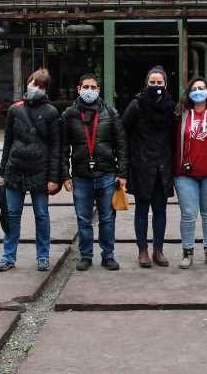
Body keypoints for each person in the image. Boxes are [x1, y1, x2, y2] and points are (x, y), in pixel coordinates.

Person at [0, 68, 61, 273]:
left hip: (40, 171)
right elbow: (8, 141)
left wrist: (53, 177)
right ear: (27, 83)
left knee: (41, 215)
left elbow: (55, 146)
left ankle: (43, 256)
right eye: (33, 83)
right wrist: (3, 170)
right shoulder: (15, 110)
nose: (36, 88)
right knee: (12, 214)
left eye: (40, 86)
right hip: (15, 170)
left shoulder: (51, 112)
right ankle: (8, 256)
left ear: (46, 89)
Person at [61, 72, 128, 271]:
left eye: (93, 87)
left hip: (107, 174)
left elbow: (122, 145)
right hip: (81, 176)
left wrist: (122, 173)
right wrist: (65, 174)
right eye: (85, 87)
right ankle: (86, 256)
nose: (89, 91)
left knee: (107, 218)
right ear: (78, 90)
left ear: (98, 90)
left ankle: (108, 255)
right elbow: (63, 148)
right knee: (83, 219)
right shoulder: (69, 115)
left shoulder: (110, 113)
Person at [122, 66, 175, 268]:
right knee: (142, 210)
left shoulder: (172, 108)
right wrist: (127, 165)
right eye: (152, 83)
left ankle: (158, 250)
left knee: (160, 210)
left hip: (163, 167)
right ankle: (142, 250)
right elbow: (123, 133)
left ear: (165, 85)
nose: (155, 86)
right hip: (142, 167)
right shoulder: (136, 106)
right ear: (146, 84)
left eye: (159, 83)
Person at [173, 76, 207, 269]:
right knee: (188, 214)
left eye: (202, 88)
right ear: (188, 93)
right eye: (194, 88)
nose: (198, 91)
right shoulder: (180, 114)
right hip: (185, 174)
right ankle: (187, 252)